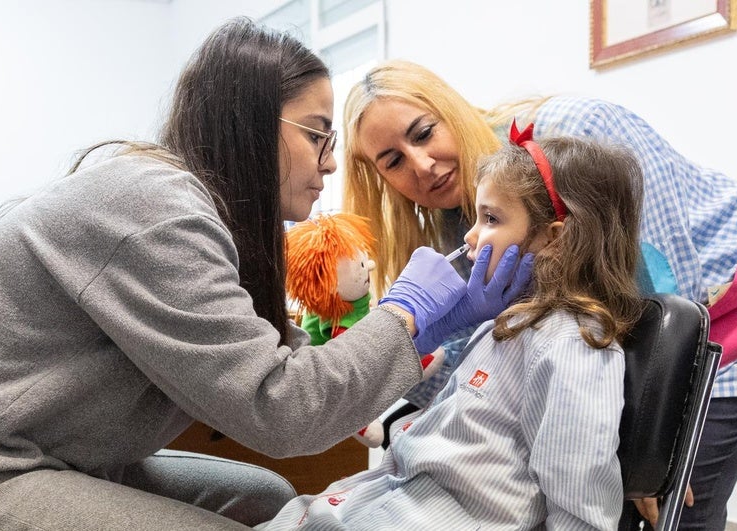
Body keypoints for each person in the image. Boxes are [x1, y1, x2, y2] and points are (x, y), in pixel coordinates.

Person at [0, 21, 526, 531]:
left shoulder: (209, 221)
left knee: (268, 498)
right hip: (2, 462)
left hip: (53, 448)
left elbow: (292, 363)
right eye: (318, 135)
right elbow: (282, 409)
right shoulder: (158, 210)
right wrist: (405, 310)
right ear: (250, 127)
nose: (331, 163)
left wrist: (425, 329)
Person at [342, 59, 737, 528]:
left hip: (716, 319)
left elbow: (667, 287)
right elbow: (467, 362)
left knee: (665, 501)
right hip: (622, 335)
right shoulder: (463, 224)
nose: (423, 165)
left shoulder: (582, 132)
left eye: (424, 133)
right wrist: (390, 364)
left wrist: (661, 434)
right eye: (393, 162)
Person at [257, 125, 646, 530]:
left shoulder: (571, 346)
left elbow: (579, 509)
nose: (470, 235)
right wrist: (423, 327)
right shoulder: (506, 326)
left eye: (491, 218)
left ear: (554, 241)